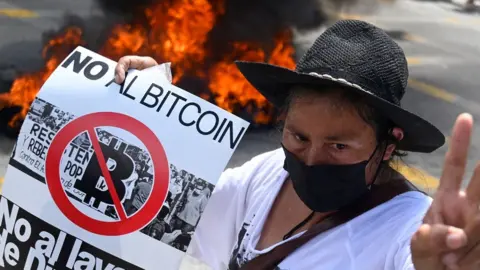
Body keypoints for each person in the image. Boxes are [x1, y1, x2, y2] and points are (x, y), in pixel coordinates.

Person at [114, 20, 480, 270]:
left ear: (387, 144)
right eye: (298, 137)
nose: (311, 159)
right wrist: (144, 110)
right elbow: (171, 208)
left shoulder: (411, 227)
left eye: (338, 146)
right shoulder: (268, 172)